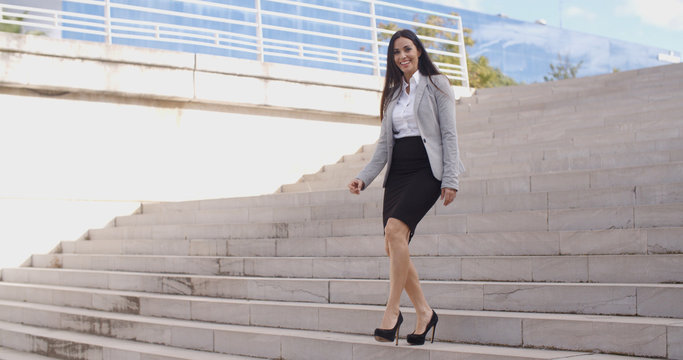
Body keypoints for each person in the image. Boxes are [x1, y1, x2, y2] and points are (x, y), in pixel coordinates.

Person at [347, 29, 465, 346]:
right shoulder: (392, 95)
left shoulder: (438, 84)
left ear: (419, 51)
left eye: (407, 49)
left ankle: (392, 311)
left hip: (428, 169)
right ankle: (425, 312)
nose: (403, 56)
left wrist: (451, 178)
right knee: (393, 243)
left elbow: (450, 135)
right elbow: (384, 148)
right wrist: (363, 177)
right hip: (398, 172)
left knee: (396, 232)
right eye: (396, 52)